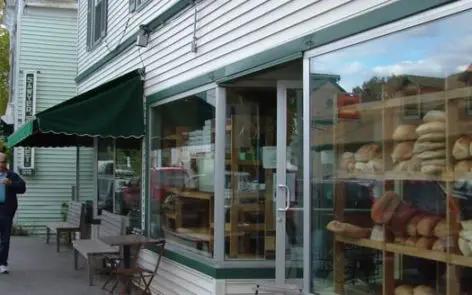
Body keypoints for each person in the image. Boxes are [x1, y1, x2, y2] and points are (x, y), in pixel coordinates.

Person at [0, 152, 26, 274]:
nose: (1, 164)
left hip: (6, 209)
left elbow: (22, 188)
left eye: (3, 162)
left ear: (6, 163)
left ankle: (3, 263)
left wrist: (10, 183)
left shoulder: (11, 175)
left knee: (5, 238)